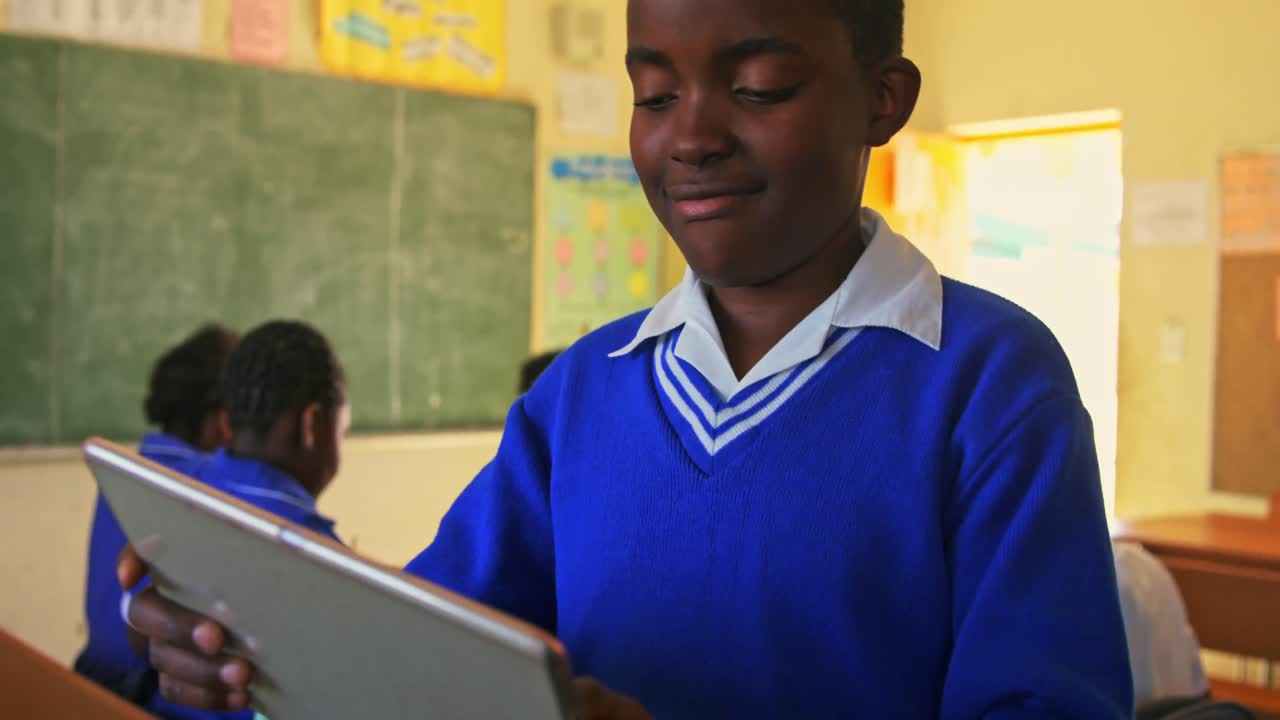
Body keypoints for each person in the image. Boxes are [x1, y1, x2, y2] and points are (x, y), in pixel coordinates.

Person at [119, 1, 1134, 717]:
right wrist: (242, 650)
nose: (689, 136)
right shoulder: (585, 391)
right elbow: (423, 655)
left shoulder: (990, 385)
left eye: (758, 87)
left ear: (881, 97)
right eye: (652, 96)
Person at [143, 319, 350, 720]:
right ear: (313, 424)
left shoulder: (179, 493)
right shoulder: (312, 548)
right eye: (345, 429)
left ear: (228, 421)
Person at [75, 324, 238, 705]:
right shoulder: (214, 487)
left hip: (89, 686)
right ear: (226, 421)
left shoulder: (123, 470)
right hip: (151, 701)